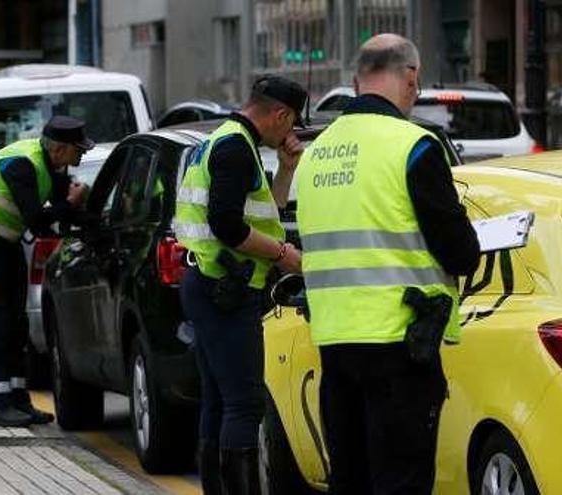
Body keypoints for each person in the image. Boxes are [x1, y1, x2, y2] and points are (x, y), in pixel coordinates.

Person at [295, 34, 480, 495]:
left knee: (351, 478)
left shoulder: (315, 152)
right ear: (411, 78)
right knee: (401, 481)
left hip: (335, 342)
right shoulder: (413, 145)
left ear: (357, 82)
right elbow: (459, 249)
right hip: (401, 343)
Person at [174, 75, 306, 494]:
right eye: (292, 124)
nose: (290, 134)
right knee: (244, 403)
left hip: (210, 284)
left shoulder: (226, 140)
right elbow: (229, 226)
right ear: (280, 114)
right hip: (223, 290)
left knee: (218, 398)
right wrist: (285, 256)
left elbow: (264, 212)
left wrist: (286, 170)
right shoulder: (234, 148)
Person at [0, 116, 91, 427]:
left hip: (6, 242)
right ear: (59, 149)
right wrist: (70, 203)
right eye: (77, 150)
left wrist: (83, 210)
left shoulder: (52, 165)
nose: (81, 156)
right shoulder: (22, 164)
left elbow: (61, 209)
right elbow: (38, 220)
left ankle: (18, 400)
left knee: (17, 322)